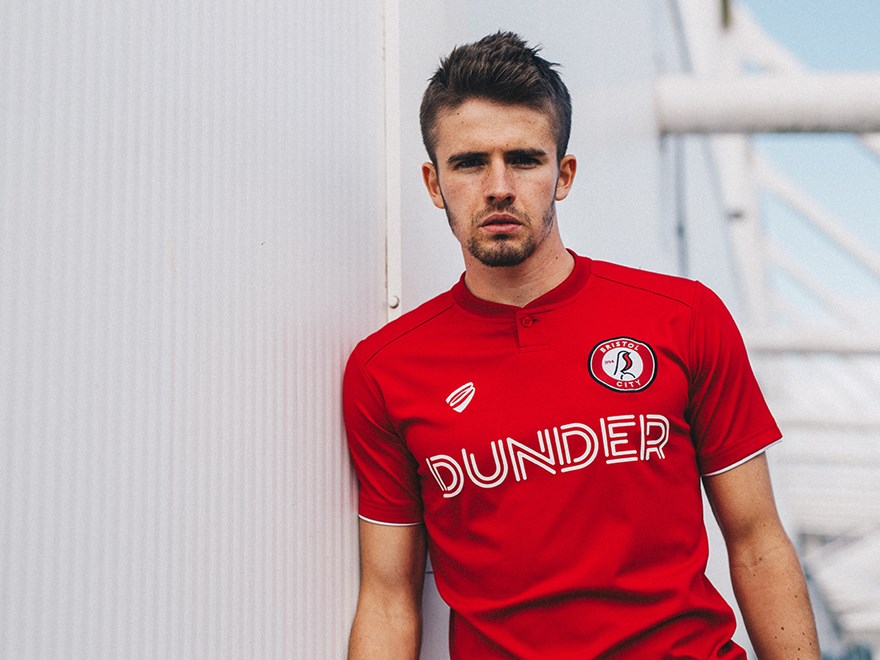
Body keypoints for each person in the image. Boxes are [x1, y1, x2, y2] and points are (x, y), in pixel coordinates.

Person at [344, 31, 820, 659]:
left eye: (524, 159)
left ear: (563, 175)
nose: (498, 187)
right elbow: (387, 599)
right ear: (434, 184)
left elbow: (757, 542)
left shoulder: (684, 318)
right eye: (469, 163)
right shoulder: (386, 370)